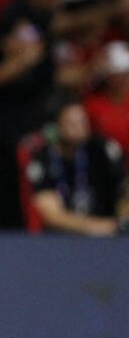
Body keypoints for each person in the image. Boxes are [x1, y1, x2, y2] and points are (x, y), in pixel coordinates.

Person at [23, 100, 127, 236]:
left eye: (83, 122)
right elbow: (52, 216)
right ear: (57, 126)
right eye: (71, 123)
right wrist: (97, 227)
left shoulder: (101, 151)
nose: (80, 127)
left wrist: (122, 219)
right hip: (60, 239)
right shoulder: (43, 159)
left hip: (109, 239)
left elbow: (124, 192)